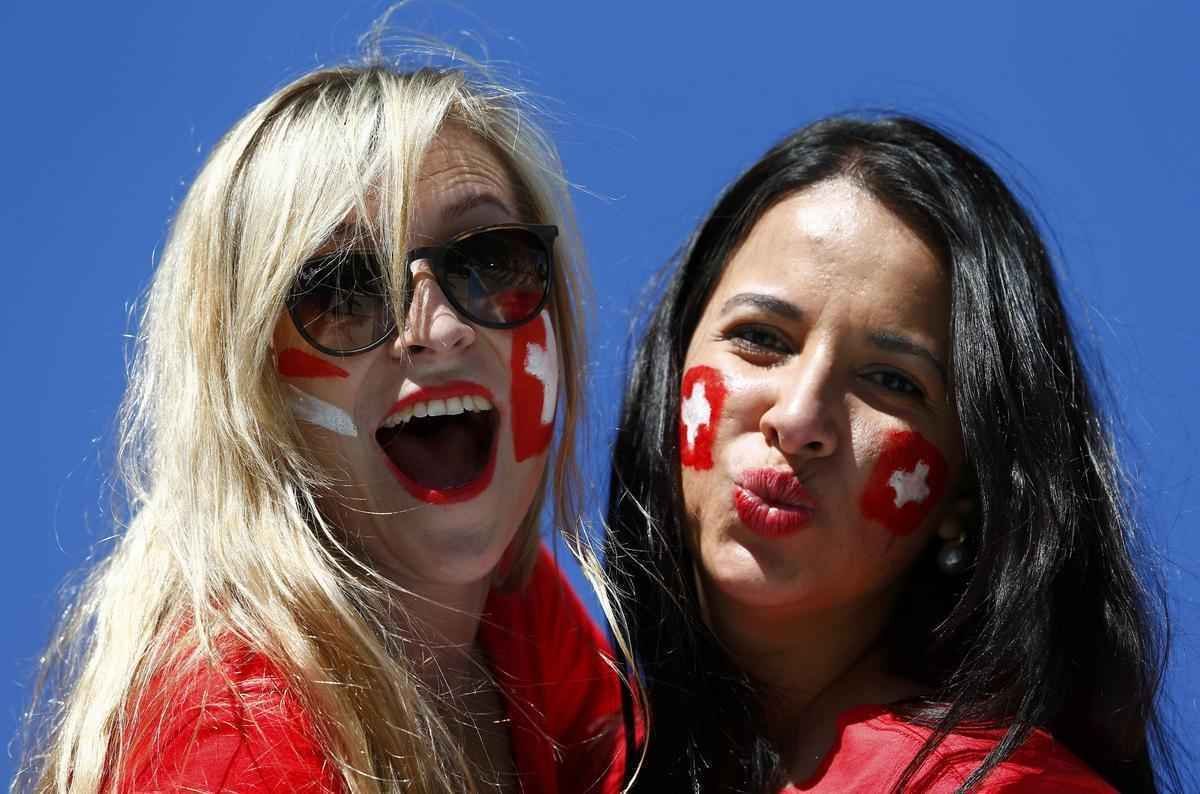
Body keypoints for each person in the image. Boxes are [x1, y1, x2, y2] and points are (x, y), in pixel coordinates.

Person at [15, 58, 619, 794]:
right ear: (248, 387)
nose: (438, 327)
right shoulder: (235, 752)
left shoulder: (512, 606)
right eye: (344, 290)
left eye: (487, 260)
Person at [602, 116, 1179, 792]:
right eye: (761, 337)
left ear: (965, 493)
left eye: (891, 381)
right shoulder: (557, 746)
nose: (799, 418)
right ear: (671, 367)